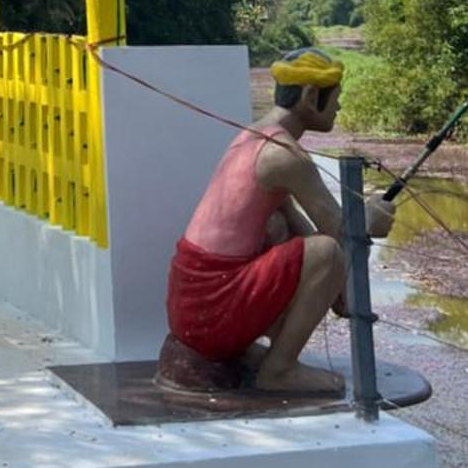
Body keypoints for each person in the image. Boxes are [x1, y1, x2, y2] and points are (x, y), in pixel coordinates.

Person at [162, 47, 396, 397]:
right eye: (337, 98)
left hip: (191, 308)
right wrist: (371, 218)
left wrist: (341, 293)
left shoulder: (253, 136)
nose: (339, 108)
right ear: (310, 96)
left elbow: (298, 225)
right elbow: (340, 230)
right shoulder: (286, 156)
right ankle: (280, 370)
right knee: (327, 251)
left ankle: (256, 351)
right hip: (212, 307)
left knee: (282, 228)